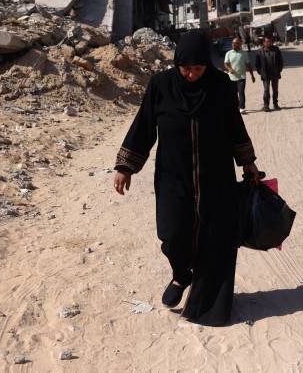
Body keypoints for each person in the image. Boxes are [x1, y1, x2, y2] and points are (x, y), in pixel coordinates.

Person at [112, 30, 262, 326]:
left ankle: (209, 303)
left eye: (198, 68)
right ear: (176, 64)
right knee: (171, 234)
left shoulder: (220, 85)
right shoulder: (161, 85)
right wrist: (125, 166)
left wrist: (248, 163)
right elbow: (144, 126)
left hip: (216, 176)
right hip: (172, 177)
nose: (192, 75)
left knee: (215, 239)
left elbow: (234, 126)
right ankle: (181, 275)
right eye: (186, 69)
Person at [253, 32, 284, 112]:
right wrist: (261, 72)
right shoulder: (260, 52)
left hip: (275, 74)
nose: (269, 43)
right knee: (266, 90)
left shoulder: (276, 49)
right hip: (265, 75)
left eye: (270, 41)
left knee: (275, 90)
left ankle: (275, 104)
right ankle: (266, 106)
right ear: (264, 42)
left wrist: (279, 69)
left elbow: (281, 61)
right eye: (267, 41)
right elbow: (257, 64)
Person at [224, 36, 255, 113]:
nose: (233, 44)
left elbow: (248, 65)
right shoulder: (228, 53)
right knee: (233, 93)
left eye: (236, 43)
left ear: (240, 44)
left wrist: (252, 75)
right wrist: (230, 69)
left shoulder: (244, 53)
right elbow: (226, 63)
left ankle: (241, 107)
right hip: (231, 77)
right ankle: (235, 106)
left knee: (241, 92)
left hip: (241, 77)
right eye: (233, 43)